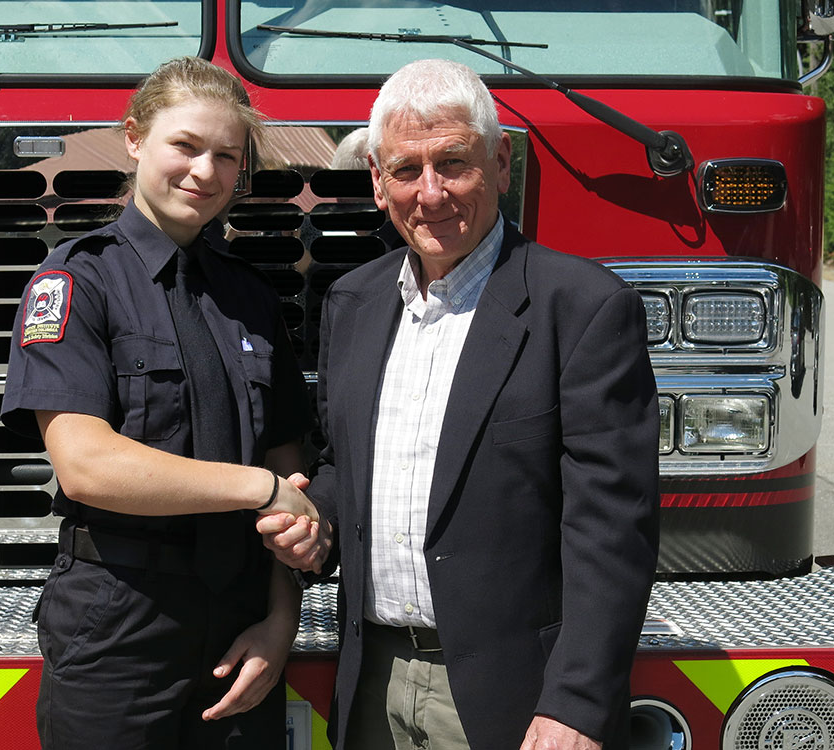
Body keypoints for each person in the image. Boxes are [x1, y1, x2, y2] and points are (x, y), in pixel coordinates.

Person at [260, 59, 660, 750]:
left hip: (515, 693)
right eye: (408, 170)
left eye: (454, 163)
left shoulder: (585, 309)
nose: (433, 193)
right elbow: (345, 465)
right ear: (378, 184)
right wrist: (316, 522)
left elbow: (613, 529)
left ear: (501, 164)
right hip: (371, 681)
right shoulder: (352, 303)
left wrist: (577, 701)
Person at [1, 56, 316, 750]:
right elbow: (87, 465)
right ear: (135, 139)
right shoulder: (77, 284)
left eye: (226, 157)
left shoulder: (252, 299)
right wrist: (256, 488)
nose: (205, 173)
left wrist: (280, 623)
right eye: (186, 146)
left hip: (239, 630)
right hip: (119, 629)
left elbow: (291, 478)